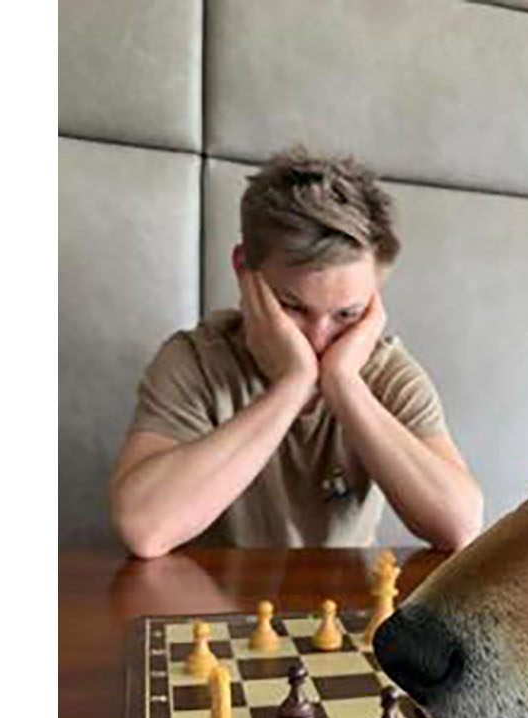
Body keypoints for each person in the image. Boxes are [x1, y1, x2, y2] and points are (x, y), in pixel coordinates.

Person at [110, 150, 483, 557]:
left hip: (334, 609)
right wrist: (293, 386)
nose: (319, 339)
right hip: (205, 611)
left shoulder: (386, 372)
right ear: (244, 270)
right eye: (293, 306)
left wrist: (344, 385)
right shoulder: (194, 361)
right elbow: (144, 529)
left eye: (347, 314)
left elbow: (460, 525)